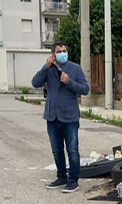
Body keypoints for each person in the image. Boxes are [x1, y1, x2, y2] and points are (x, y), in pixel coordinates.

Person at [32, 41, 89, 193]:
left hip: (70, 117)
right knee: (57, 150)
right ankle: (61, 177)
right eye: (59, 51)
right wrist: (46, 67)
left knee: (72, 150)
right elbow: (35, 83)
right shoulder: (49, 69)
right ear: (53, 54)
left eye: (64, 50)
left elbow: (85, 89)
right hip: (52, 116)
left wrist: (69, 82)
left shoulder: (75, 68)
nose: (63, 53)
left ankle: (73, 180)